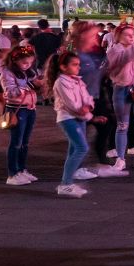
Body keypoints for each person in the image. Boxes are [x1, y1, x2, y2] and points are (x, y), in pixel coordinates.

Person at [70, 21, 124, 176]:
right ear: (82, 36)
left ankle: (101, 161)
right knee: (79, 135)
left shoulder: (95, 53)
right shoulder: (76, 55)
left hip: (95, 97)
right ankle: (75, 169)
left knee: (106, 125)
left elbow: (100, 73)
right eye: (93, 35)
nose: (96, 37)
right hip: (80, 100)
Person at [49, 47, 102, 197]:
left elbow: (88, 98)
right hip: (68, 118)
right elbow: (72, 104)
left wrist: (88, 110)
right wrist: (84, 110)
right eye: (74, 64)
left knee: (74, 150)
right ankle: (65, 184)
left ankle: (67, 182)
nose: (78, 67)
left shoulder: (78, 81)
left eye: (78, 64)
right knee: (81, 148)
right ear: (63, 67)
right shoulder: (61, 82)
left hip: (79, 118)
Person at [104, 22, 134, 170]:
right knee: (122, 125)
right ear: (119, 36)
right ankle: (120, 159)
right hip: (121, 88)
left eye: (133, 35)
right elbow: (123, 59)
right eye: (128, 35)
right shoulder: (114, 50)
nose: (132, 38)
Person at [0, 42, 43, 185]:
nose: (28, 65)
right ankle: (12, 174)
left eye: (30, 63)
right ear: (15, 60)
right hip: (17, 110)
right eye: (25, 63)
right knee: (16, 142)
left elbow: (35, 85)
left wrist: (39, 84)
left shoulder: (29, 72)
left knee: (25, 142)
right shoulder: (7, 73)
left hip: (30, 108)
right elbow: (10, 92)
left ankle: (22, 169)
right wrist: (30, 86)